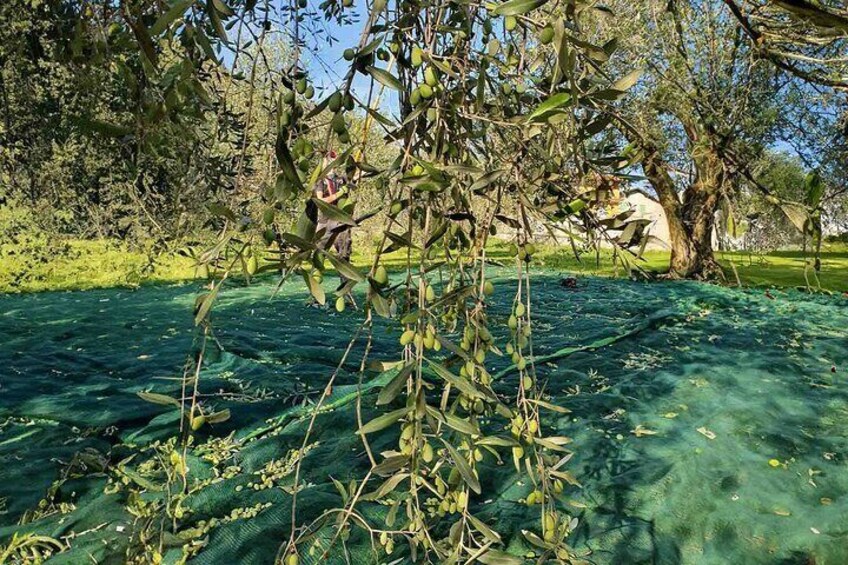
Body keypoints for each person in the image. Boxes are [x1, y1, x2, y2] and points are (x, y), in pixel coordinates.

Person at [313, 150, 354, 287]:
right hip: (325, 222)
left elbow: (356, 175)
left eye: (333, 159)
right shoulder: (319, 181)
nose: (331, 162)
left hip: (341, 220)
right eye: (328, 159)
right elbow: (321, 201)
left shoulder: (339, 179)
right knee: (319, 255)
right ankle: (315, 293)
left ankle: (346, 289)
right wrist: (340, 193)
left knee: (344, 254)